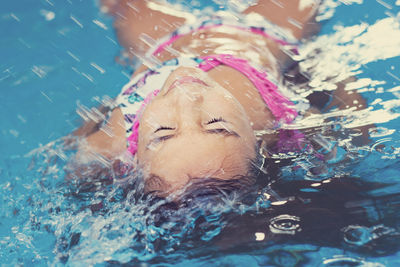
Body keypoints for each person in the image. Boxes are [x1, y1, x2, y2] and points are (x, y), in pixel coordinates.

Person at [73, 0, 366, 196]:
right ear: (257, 140)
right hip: (262, 33)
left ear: (134, 159)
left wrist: (90, 125)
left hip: (164, 40)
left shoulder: (111, 143)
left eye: (164, 132)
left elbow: (80, 162)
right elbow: (348, 109)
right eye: (215, 124)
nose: (187, 99)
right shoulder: (283, 127)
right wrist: (344, 92)